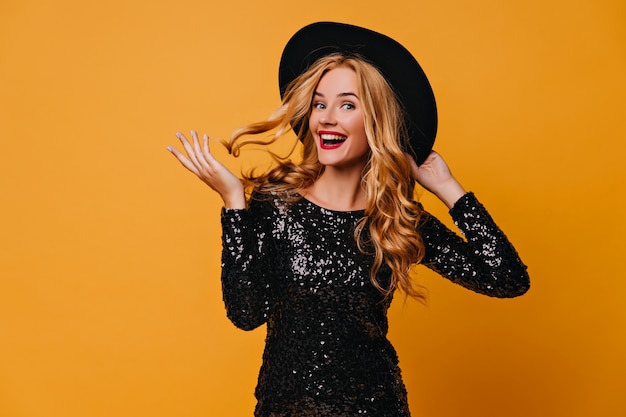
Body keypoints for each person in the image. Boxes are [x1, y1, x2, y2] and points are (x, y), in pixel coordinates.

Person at [167, 22, 529, 417]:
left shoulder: (396, 221)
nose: (327, 118)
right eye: (320, 104)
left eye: (347, 105)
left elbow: (508, 279)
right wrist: (234, 203)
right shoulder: (276, 206)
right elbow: (245, 314)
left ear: (375, 121)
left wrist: (449, 189)